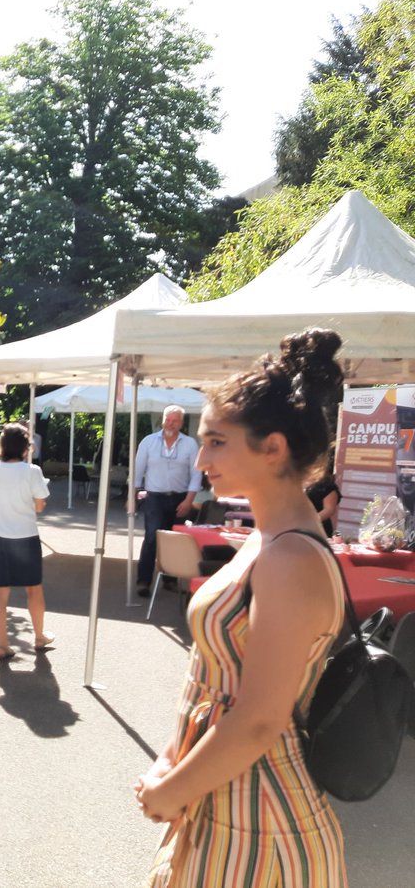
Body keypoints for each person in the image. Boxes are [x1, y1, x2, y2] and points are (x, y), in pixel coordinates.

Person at [137, 329, 348, 886]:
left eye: (216, 442)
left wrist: (170, 789)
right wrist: (171, 761)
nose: (201, 458)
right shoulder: (269, 537)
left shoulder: (289, 556)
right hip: (226, 802)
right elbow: (214, 681)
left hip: (260, 822)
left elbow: (259, 720)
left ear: (273, 447)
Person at [0, 423, 53, 659]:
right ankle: (39, 636)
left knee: (0, 592)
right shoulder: (32, 471)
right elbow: (40, 505)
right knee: (34, 590)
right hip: (26, 537)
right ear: (25, 446)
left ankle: (2, 644)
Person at [132, 404, 201, 596]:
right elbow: (137, 471)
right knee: (152, 537)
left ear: (181, 423)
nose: (170, 424)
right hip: (154, 497)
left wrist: (189, 501)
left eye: (175, 420)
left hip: (179, 498)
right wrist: (133, 496)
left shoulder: (190, 444)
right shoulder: (148, 441)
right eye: (167, 420)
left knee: (175, 540)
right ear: (163, 420)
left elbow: (196, 474)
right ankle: (143, 581)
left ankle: (170, 579)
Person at [305, 460, 341, 538]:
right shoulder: (304, 483)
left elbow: (329, 510)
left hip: (318, 528)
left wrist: (308, 521)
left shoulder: (327, 486)